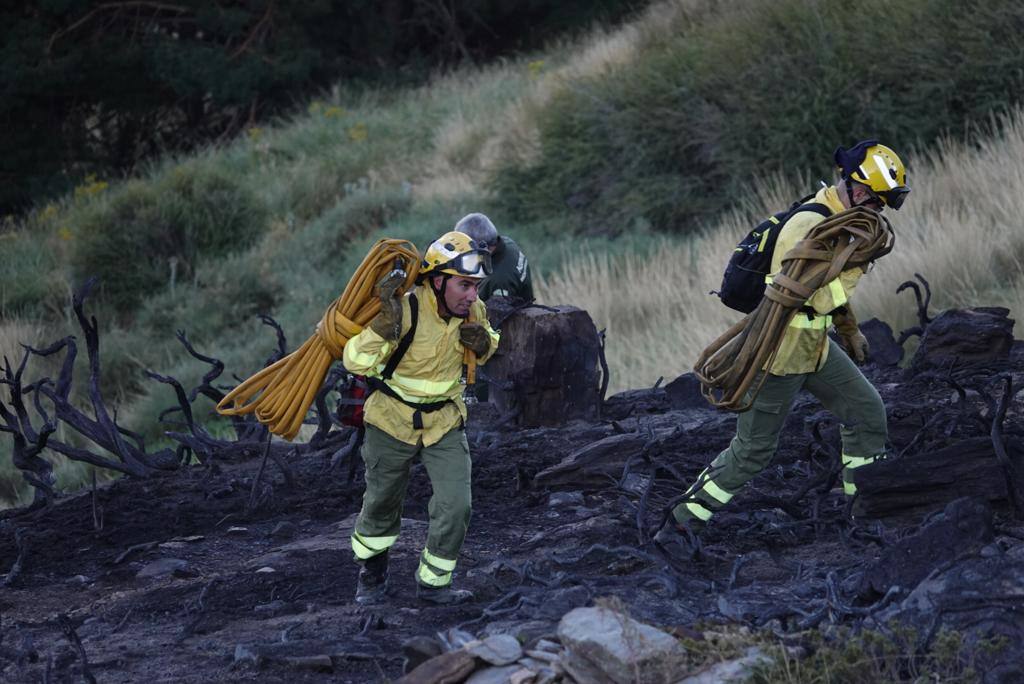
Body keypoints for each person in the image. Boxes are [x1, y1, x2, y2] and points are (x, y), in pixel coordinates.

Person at [655, 140, 910, 552]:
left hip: (816, 350)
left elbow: (828, 291)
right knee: (753, 451)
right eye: (879, 203)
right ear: (859, 191)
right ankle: (681, 524)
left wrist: (848, 330)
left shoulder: (842, 221)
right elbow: (795, 293)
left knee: (867, 413)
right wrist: (853, 271)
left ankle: (866, 510)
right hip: (778, 354)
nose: (879, 213)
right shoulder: (807, 224)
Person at [343, 231, 500, 605]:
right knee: (381, 502)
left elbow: (491, 338)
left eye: (476, 286)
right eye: (465, 285)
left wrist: (486, 343)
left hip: (444, 421)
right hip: (390, 420)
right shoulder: (405, 309)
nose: (473, 296)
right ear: (439, 280)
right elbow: (354, 361)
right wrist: (383, 326)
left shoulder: (473, 310)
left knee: (456, 505)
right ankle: (372, 573)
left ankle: (433, 585)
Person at [454, 213, 534, 302]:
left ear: (483, 247)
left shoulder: (498, 281)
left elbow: (494, 313)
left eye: (466, 249)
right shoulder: (507, 243)